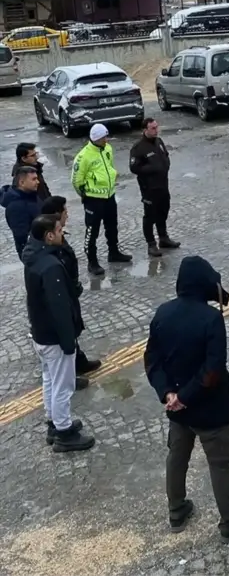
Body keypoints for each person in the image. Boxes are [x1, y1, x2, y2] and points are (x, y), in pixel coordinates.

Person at [144, 255, 229, 539]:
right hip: (210, 409)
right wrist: (186, 395)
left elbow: (152, 361)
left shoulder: (162, 313)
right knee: (220, 464)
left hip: (178, 409)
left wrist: (169, 394)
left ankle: (177, 510)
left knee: (177, 457)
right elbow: (213, 370)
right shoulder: (211, 319)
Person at [23, 214, 96, 452]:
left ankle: (54, 422)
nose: (63, 233)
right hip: (54, 338)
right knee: (63, 385)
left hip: (40, 333)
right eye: (59, 230)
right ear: (49, 235)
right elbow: (59, 307)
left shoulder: (33, 256)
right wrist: (68, 342)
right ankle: (64, 432)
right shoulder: (51, 266)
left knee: (49, 380)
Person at [41, 195, 102, 385]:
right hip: (62, 293)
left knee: (72, 326)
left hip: (69, 291)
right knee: (65, 330)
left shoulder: (57, 237)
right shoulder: (50, 246)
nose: (68, 214)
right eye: (65, 210)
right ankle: (69, 376)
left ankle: (78, 360)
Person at [71, 123, 131, 276]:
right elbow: (76, 181)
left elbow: (110, 166)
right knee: (92, 231)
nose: (107, 139)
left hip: (109, 196)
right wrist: (85, 196)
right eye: (104, 137)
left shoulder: (107, 149)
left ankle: (114, 252)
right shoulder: (83, 157)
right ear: (96, 138)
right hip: (93, 199)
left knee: (112, 226)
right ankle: (92, 262)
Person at [129, 117, 180, 258]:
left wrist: (165, 165)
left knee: (163, 211)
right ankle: (151, 244)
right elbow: (134, 168)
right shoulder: (138, 148)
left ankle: (163, 238)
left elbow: (166, 155)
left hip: (163, 185)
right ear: (145, 130)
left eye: (157, 127)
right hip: (149, 189)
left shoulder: (159, 142)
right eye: (153, 128)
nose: (156, 130)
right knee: (150, 216)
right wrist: (152, 168)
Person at [0, 165, 43, 257]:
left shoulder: (32, 196)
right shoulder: (16, 206)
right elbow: (22, 236)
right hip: (36, 253)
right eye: (34, 179)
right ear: (22, 182)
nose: (38, 182)